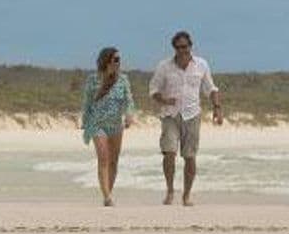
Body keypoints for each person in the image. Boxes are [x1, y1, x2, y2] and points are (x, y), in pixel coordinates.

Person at [148, 30, 223, 206]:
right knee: (169, 153)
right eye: (180, 47)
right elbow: (153, 90)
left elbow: (211, 88)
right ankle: (170, 191)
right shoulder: (164, 66)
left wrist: (217, 108)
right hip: (170, 115)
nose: (184, 50)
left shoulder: (201, 65)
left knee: (190, 156)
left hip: (192, 115)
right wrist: (164, 99)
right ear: (174, 48)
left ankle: (187, 195)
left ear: (191, 46)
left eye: (186, 47)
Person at [80, 47, 137, 206]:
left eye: (119, 59)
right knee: (103, 158)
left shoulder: (123, 80)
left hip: (116, 125)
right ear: (107, 61)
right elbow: (87, 102)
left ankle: (108, 192)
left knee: (113, 161)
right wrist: (85, 121)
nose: (119, 62)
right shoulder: (93, 79)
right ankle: (106, 196)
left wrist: (129, 115)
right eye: (116, 59)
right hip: (97, 124)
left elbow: (129, 100)